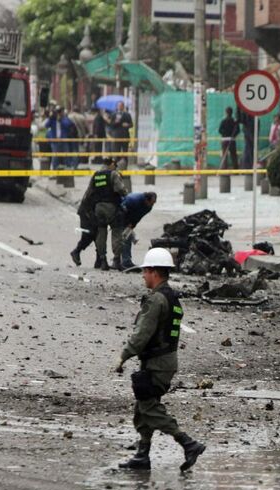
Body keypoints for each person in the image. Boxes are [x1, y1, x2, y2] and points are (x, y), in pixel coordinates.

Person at [114, 247, 206, 472]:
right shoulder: (171, 297)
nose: (143, 276)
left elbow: (142, 333)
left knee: (150, 409)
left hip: (157, 363)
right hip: (165, 361)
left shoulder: (156, 300)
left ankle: (188, 443)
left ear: (154, 272)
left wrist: (123, 356)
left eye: (145, 271)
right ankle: (142, 456)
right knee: (142, 409)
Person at [73, 157, 128, 270]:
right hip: (111, 207)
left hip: (98, 208)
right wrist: (126, 193)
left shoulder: (96, 175)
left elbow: (89, 191)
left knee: (101, 233)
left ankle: (103, 260)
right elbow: (120, 190)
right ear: (112, 164)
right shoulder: (113, 174)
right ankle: (117, 260)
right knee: (117, 231)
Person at [118, 192, 157, 270]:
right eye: (151, 203)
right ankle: (125, 262)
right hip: (120, 215)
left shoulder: (148, 207)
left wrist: (132, 226)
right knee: (125, 239)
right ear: (146, 200)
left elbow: (138, 217)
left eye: (154, 203)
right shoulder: (133, 200)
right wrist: (126, 224)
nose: (152, 205)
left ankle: (124, 261)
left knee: (126, 237)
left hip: (129, 219)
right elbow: (121, 210)